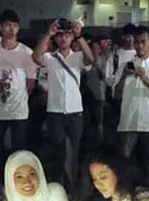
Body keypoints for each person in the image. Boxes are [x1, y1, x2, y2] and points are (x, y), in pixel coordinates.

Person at [32, 20, 94, 189]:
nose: (64, 38)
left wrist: (80, 36)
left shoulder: (78, 57)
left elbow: (91, 59)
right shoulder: (50, 58)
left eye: (67, 34)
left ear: (72, 37)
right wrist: (48, 33)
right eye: (60, 35)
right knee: (58, 151)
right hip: (55, 112)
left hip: (75, 112)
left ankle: (73, 185)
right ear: (56, 39)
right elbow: (36, 57)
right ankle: (59, 185)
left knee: (74, 151)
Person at [111, 26, 149, 189]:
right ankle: (124, 192)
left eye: (143, 42)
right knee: (124, 161)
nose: (140, 46)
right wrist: (123, 78)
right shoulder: (125, 66)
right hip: (128, 121)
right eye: (137, 42)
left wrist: (144, 78)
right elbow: (116, 94)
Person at [0, 9, 38, 158]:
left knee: (19, 149)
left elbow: (31, 82)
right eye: (7, 25)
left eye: (15, 25)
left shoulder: (27, 52)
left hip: (19, 110)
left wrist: (20, 97)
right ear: (0, 27)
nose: (12, 29)